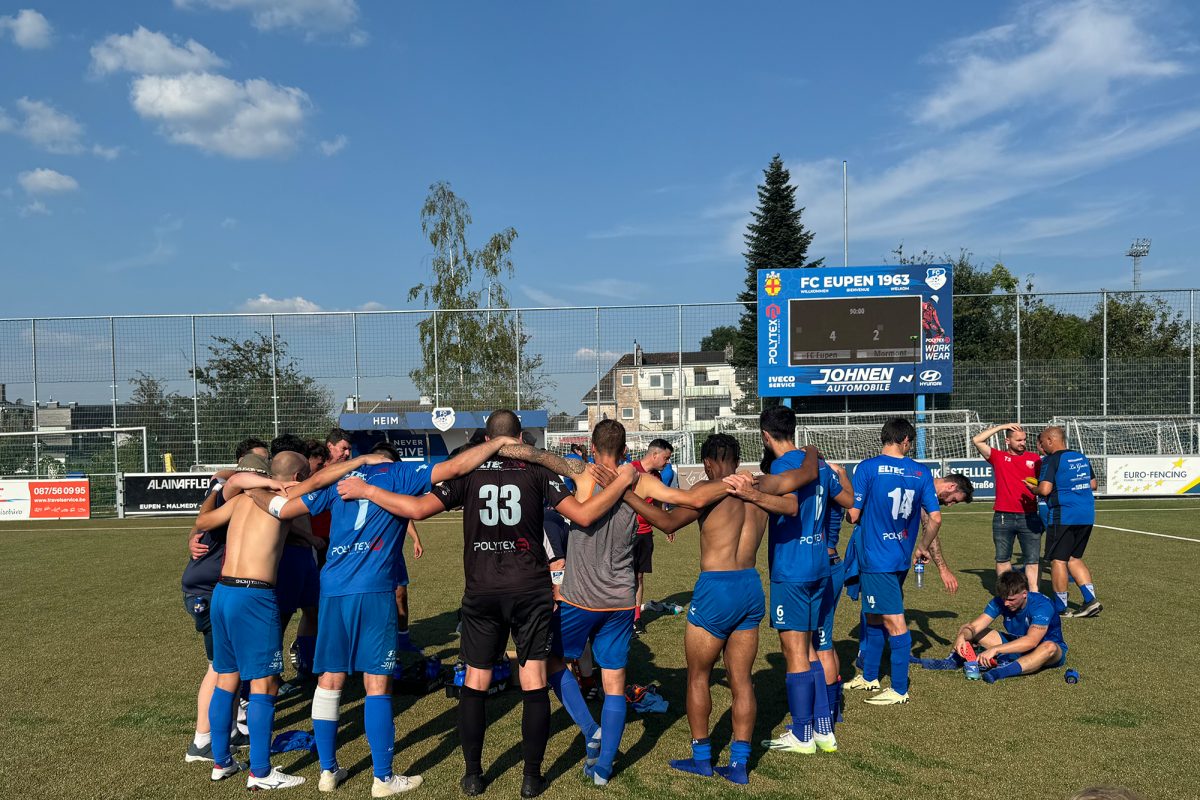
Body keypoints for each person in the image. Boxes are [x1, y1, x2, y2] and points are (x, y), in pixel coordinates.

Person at [331, 410, 625, 799]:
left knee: (476, 679)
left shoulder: (468, 472)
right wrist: (624, 483)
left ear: (488, 437)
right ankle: (532, 778)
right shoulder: (538, 471)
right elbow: (584, 515)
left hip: (482, 591)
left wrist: (368, 491)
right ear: (520, 437)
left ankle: (472, 775)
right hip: (529, 590)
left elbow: (416, 509)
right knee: (533, 679)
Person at [264, 434, 532, 796]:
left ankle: (328, 772)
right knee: (377, 682)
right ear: (392, 461)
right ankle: (383, 779)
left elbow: (280, 507)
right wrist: (497, 442)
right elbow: (457, 466)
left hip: (333, 588)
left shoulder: (341, 479)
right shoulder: (399, 474)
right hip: (373, 588)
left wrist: (239, 483)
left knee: (330, 680)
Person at [626, 434, 818, 785]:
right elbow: (805, 474)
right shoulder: (761, 485)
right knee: (742, 680)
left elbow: (667, 522)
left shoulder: (711, 490)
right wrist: (811, 451)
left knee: (698, 676)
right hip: (750, 585)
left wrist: (625, 494)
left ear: (709, 463)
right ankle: (740, 765)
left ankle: (702, 758)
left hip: (716, 587)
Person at [194, 449, 382, 789]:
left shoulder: (241, 499)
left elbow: (204, 520)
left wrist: (221, 488)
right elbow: (321, 480)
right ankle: (261, 773)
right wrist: (358, 462)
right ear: (295, 478)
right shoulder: (284, 495)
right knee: (264, 684)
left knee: (227, 677)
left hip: (223, 592)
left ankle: (221, 762)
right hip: (255, 595)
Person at [724, 406, 853, 757]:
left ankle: (801, 733)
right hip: (820, 564)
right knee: (812, 648)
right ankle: (823, 730)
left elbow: (791, 505)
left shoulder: (783, 465)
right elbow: (849, 502)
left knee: (794, 651)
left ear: (765, 436)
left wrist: (751, 495)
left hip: (792, 567)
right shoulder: (820, 465)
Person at [543, 419, 648, 786]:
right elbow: (685, 502)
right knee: (615, 682)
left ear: (591, 445)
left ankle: (592, 730)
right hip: (620, 599)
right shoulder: (638, 479)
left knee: (551, 662)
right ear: (624, 450)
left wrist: (501, 445)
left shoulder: (581, 473)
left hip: (580, 597)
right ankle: (603, 769)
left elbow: (539, 457)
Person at [844, 418, 966, 706]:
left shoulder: (868, 467)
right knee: (873, 616)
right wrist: (922, 547)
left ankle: (899, 689)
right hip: (899, 557)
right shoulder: (921, 472)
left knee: (895, 623)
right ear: (906, 441)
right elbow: (935, 518)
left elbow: (853, 515)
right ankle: (870, 675)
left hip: (877, 557)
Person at [181, 437, 268, 764]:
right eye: (259, 463)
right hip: (206, 591)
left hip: (212, 589)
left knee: (229, 667)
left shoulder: (229, 491)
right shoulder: (230, 488)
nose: (264, 469)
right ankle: (201, 741)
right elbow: (233, 476)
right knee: (218, 669)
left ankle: (227, 729)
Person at [950, 571, 1068, 683]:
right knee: (967, 629)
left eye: (1011, 600)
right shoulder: (1001, 601)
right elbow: (974, 627)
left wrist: (995, 649)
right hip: (1016, 643)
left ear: (1024, 594)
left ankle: (1001, 671)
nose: (1006, 603)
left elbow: (1031, 641)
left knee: (1049, 647)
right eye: (1004, 599)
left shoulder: (1042, 605)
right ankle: (953, 660)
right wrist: (962, 636)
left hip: (1044, 650)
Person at [1035, 426, 1100, 618]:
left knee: (1058, 560)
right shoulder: (1080, 456)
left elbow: (1045, 490)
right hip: (1086, 513)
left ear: (1049, 440)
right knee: (1074, 558)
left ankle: (1060, 607)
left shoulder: (1052, 459)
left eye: (1042, 442)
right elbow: (1093, 484)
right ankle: (1090, 600)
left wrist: (1034, 489)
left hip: (1064, 514)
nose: (1042, 447)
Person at [972, 422, 1044, 592]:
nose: (1022, 443)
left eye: (1024, 439)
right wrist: (1002, 427)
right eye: (1018, 440)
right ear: (1007, 441)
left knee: (1032, 560)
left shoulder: (1034, 459)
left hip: (1030, 515)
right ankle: (1006, 593)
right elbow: (977, 440)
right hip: (1003, 516)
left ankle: (1034, 594)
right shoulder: (998, 457)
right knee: (1003, 558)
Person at [630, 439, 676, 635]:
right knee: (624, 577)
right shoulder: (630, 470)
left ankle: (636, 618)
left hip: (645, 533)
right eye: (665, 458)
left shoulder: (657, 477)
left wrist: (666, 525)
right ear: (654, 455)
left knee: (639, 576)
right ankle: (621, 617)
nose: (667, 463)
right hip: (626, 534)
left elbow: (658, 505)